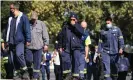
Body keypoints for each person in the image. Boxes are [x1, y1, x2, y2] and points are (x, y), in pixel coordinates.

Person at [5, 3, 31, 79]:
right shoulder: (10, 18)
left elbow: (27, 29)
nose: (10, 10)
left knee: (19, 54)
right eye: (10, 8)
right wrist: (6, 40)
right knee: (13, 58)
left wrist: (28, 39)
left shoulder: (23, 17)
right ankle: (17, 73)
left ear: (16, 8)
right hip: (11, 41)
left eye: (11, 8)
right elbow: (8, 30)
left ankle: (25, 70)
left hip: (20, 40)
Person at [25, 11, 49, 79]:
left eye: (34, 19)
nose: (33, 20)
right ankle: (30, 73)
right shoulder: (27, 23)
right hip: (29, 46)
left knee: (37, 63)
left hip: (38, 47)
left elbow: (45, 35)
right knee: (28, 60)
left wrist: (46, 44)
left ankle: (35, 76)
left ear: (37, 18)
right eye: (32, 19)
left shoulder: (41, 24)